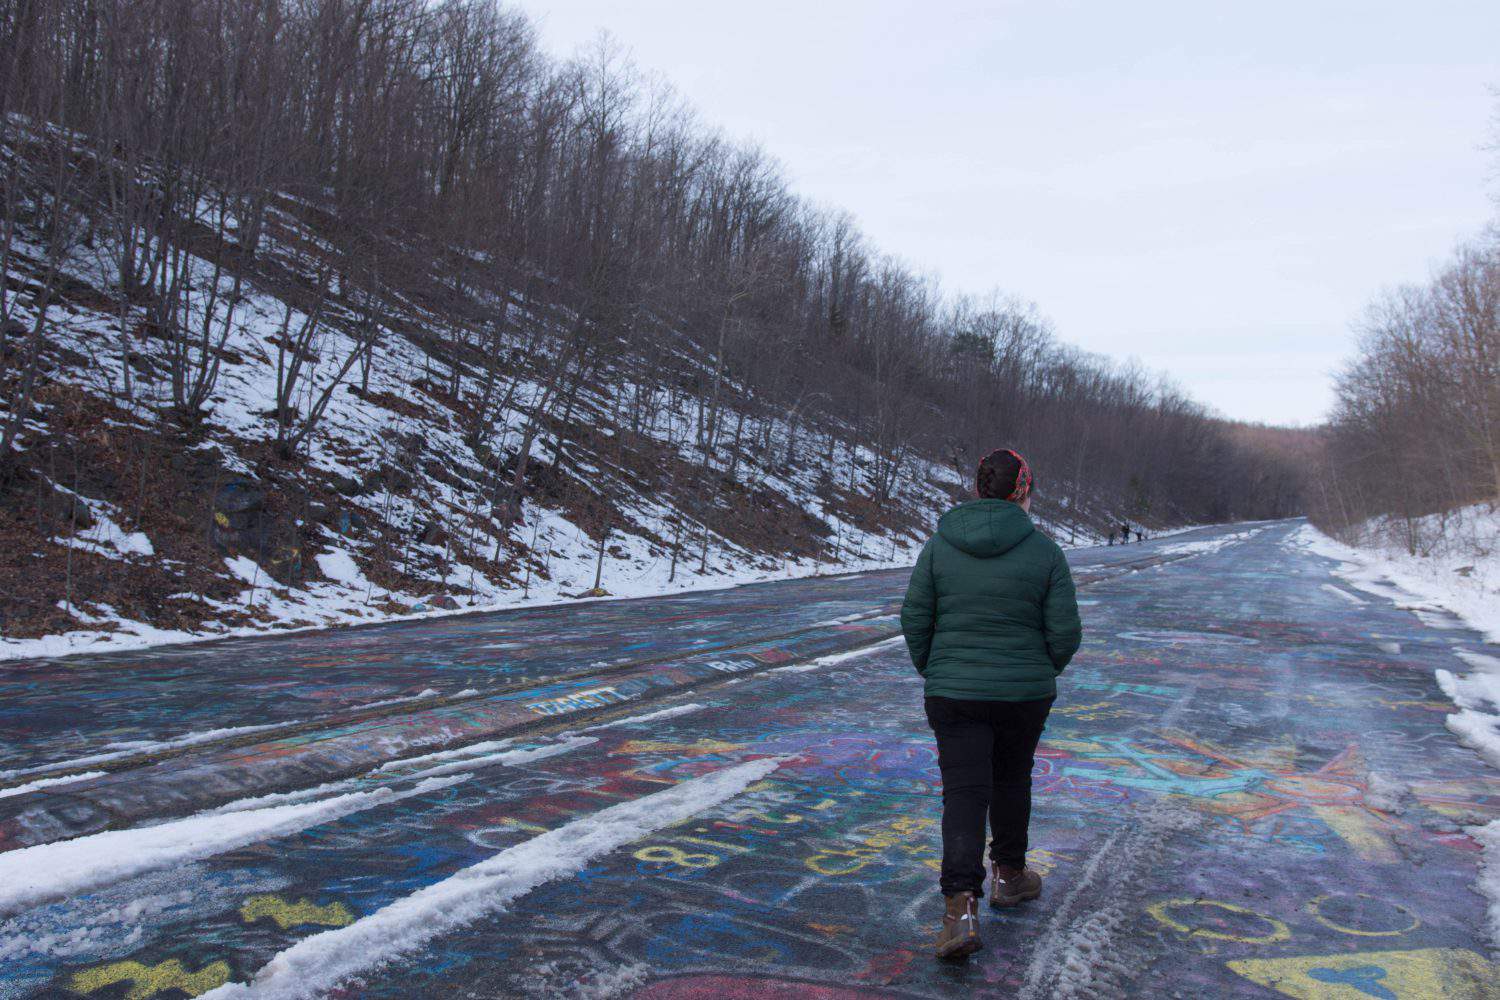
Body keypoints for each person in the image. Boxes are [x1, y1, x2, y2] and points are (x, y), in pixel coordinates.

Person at [900, 448, 1082, 960]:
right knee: (1011, 778)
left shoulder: (939, 546)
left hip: (953, 690)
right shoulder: (1045, 551)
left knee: (963, 792)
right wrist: (1037, 670)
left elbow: (915, 618)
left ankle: (959, 909)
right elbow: (1066, 631)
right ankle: (1009, 875)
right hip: (1023, 693)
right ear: (1023, 490)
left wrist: (937, 669)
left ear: (978, 487)